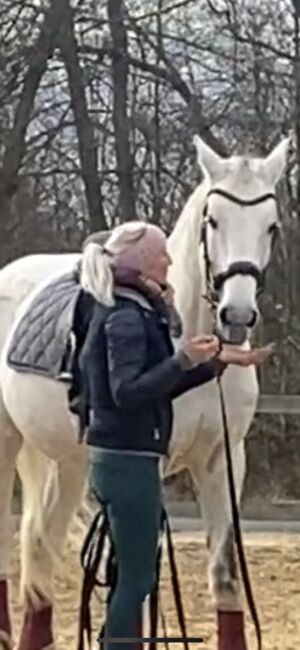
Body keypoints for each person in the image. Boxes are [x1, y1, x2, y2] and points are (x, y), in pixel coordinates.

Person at [78, 221, 272, 650]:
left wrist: (218, 364)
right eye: (162, 254)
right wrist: (182, 358)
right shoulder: (126, 318)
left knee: (135, 571)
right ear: (143, 261)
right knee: (137, 575)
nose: (169, 260)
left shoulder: (132, 311)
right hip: (128, 461)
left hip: (131, 459)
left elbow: (159, 387)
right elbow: (127, 393)